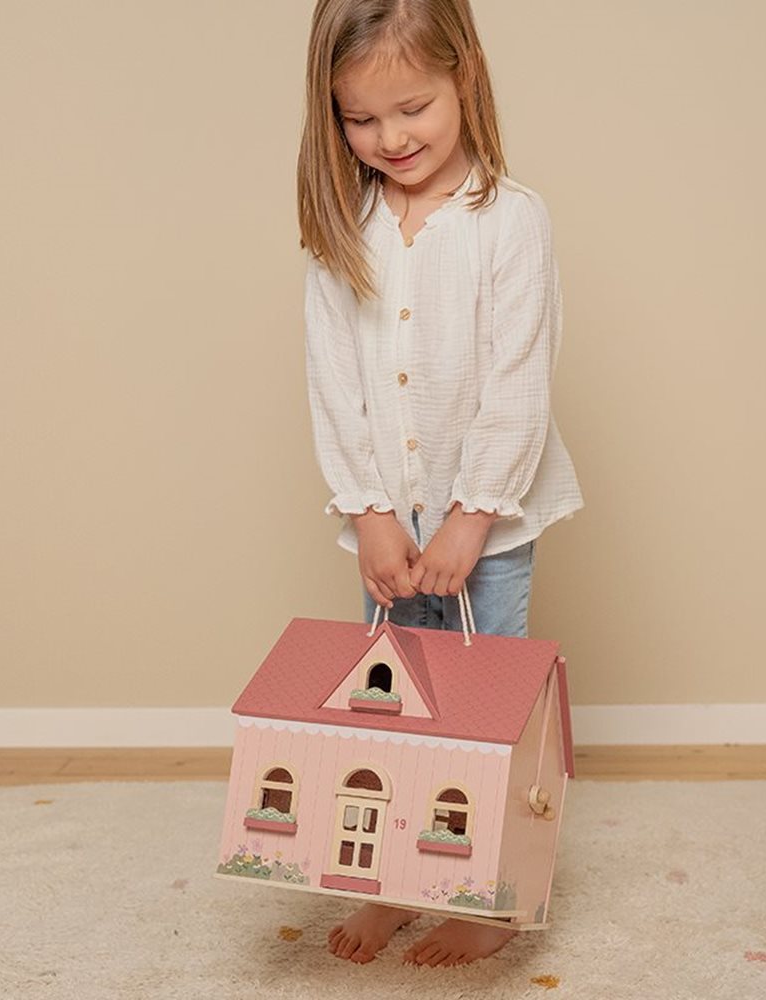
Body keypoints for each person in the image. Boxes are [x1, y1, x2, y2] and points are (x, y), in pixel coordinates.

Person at [297, 0, 583, 967]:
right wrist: (372, 513)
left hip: (485, 524)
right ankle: (386, 883)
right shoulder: (346, 224)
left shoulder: (511, 221)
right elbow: (333, 377)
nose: (390, 139)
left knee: (478, 714)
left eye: (412, 107)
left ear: (464, 75)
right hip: (388, 524)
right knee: (392, 712)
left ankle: (484, 895)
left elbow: (518, 379)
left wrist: (470, 518)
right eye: (361, 119)